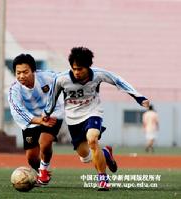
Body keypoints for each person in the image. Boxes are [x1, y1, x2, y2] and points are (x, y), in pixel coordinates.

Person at [44, 47, 150, 191]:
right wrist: (47, 113)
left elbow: (119, 81)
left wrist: (139, 97)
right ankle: (105, 153)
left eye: (80, 69)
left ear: (88, 67)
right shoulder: (62, 79)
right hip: (73, 119)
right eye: (74, 69)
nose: (76, 72)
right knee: (85, 157)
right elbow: (52, 97)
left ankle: (102, 179)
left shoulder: (99, 74)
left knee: (92, 139)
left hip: (93, 112)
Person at [8, 54, 64, 185]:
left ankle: (43, 172)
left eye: (25, 72)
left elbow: (65, 79)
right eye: (18, 73)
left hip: (52, 114)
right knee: (31, 158)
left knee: (44, 142)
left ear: (33, 70)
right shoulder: (14, 90)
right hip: (32, 121)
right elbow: (17, 111)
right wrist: (38, 120)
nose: (21, 76)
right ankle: (40, 170)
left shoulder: (47, 77)